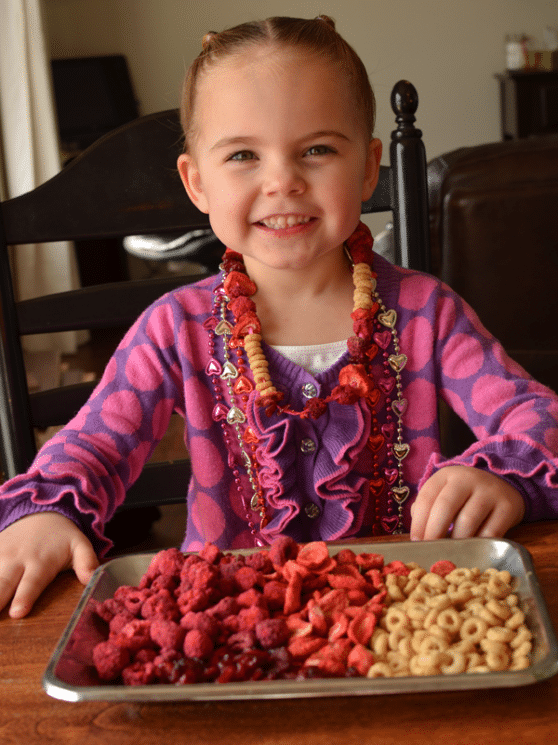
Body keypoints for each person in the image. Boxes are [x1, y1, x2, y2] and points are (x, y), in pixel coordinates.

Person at [1, 15, 557, 620]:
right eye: (243, 155)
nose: (282, 182)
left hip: (401, 620)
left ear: (370, 168)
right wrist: (47, 514)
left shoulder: (428, 312)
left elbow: (539, 421)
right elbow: (91, 449)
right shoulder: (175, 329)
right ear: (198, 184)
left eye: (317, 149)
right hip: (228, 630)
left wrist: (503, 476)